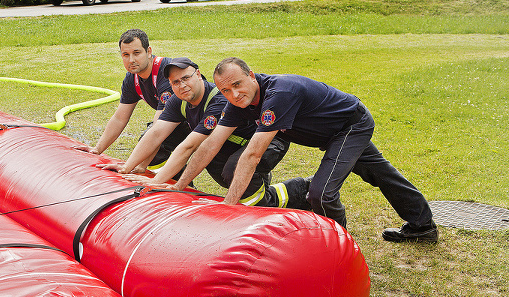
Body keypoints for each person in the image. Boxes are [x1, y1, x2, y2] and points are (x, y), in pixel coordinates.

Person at [179, 57, 437, 242]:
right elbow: (210, 144)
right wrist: (179, 186)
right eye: (225, 90)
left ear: (251, 76)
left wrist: (228, 205)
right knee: (381, 173)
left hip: (350, 126)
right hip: (329, 135)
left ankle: (341, 247)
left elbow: (253, 154)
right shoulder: (238, 102)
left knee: (321, 194)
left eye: (237, 84)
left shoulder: (280, 93)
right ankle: (422, 225)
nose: (233, 94)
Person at [111, 58, 307, 208]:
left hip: (265, 143)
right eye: (175, 82)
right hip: (229, 147)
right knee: (218, 167)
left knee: (245, 189)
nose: (182, 85)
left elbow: (189, 146)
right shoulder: (177, 101)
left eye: (186, 78)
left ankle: (299, 190)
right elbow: (155, 134)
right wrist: (126, 168)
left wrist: (156, 181)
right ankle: (248, 185)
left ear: (198, 75)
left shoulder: (218, 101)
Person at [75, 29, 190, 168]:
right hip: (179, 121)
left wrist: (133, 167)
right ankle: (177, 183)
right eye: (126, 55)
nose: (131, 60)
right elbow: (119, 118)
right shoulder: (132, 78)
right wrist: (97, 149)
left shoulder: (167, 74)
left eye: (136, 53)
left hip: (202, 119)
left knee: (219, 169)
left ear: (148, 52)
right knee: (151, 148)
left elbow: (159, 129)